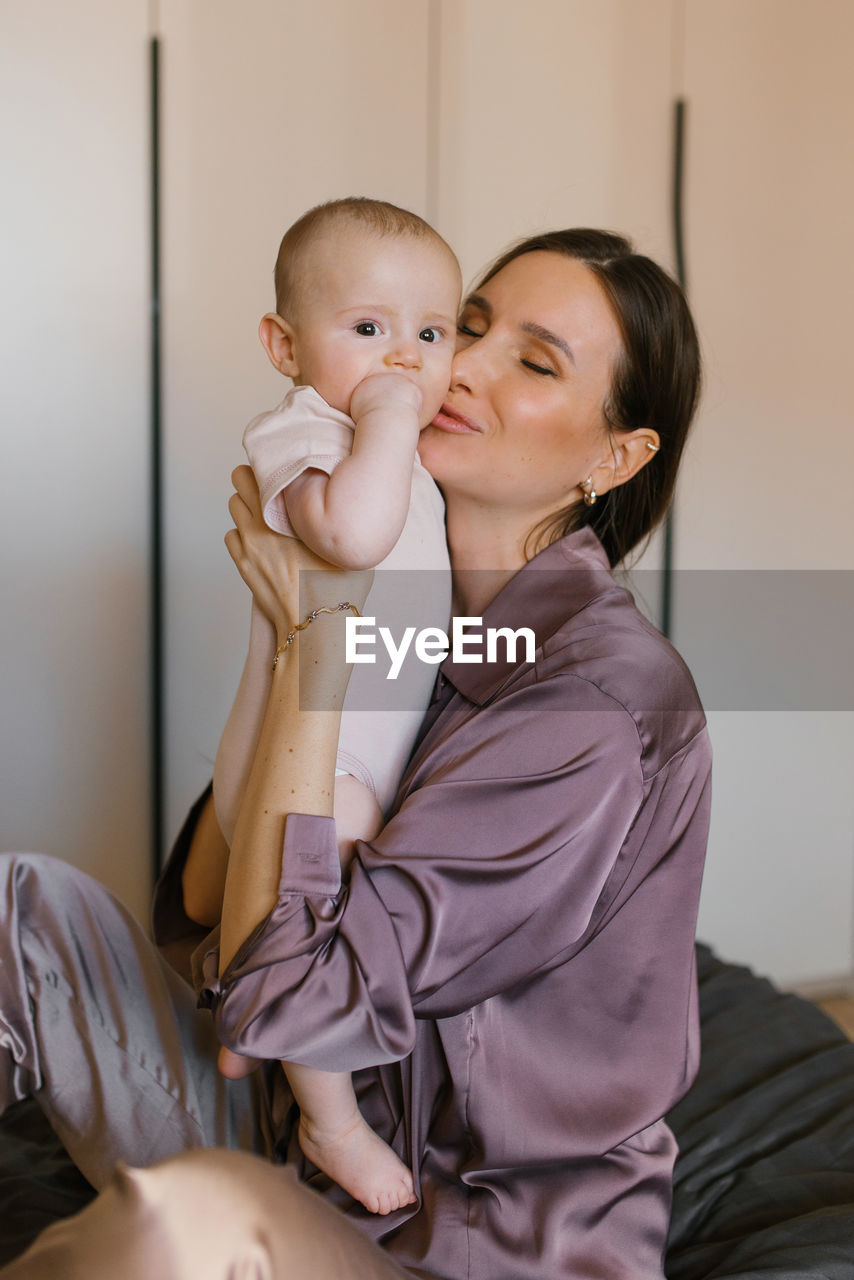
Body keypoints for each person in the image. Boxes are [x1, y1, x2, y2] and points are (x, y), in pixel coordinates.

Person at [0, 228, 710, 1279]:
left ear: (612, 459)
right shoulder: (417, 613)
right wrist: (294, 644)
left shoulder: (595, 704)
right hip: (301, 1144)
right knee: (21, 907)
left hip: (462, 1238)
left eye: (534, 359)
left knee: (193, 1224)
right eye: (466, 326)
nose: (454, 365)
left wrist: (316, 649)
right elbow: (210, 903)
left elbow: (278, 990)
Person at [211, 197, 461, 1214]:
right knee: (325, 898)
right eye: (367, 330)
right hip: (304, 766)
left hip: (348, 752)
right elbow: (351, 540)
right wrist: (394, 416)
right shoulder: (302, 431)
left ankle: (250, 997)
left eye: (431, 334)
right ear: (283, 345)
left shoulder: (378, 436)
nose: (403, 359)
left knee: (348, 897)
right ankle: (332, 1117)